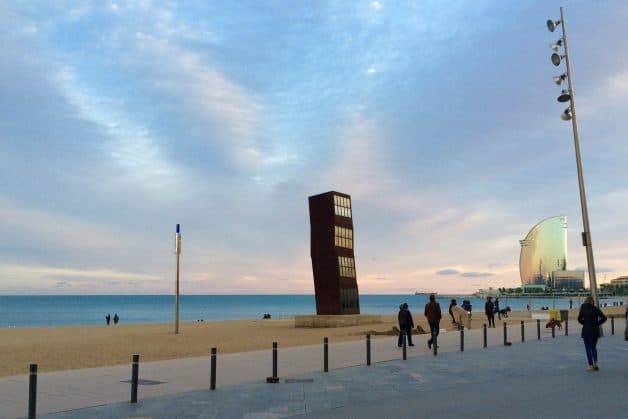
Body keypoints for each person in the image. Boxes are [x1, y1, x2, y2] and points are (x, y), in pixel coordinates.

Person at [577, 296, 607, 371]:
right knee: (593, 347)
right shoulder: (596, 308)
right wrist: (597, 323)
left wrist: (585, 323)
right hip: (595, 330)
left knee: (588, 348)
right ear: (592, 302)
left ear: (586, 301)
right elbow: (604, 318)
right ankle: (595, 364)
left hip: (586, 330)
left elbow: (579, 319)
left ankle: (590, 365)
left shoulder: (583, 308)